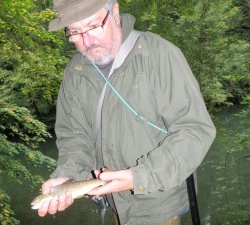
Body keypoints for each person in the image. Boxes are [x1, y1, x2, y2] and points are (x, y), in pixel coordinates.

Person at [37, 0, 216, 224]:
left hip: (158, 205)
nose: (86, 41)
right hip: (113, 204)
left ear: (116, 12)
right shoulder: (75, 72)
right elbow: (74, 137)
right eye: (74, 32)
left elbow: (194, 130)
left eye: (93, 26)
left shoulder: (159, 54)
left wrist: (138, 177)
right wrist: (67, 178)